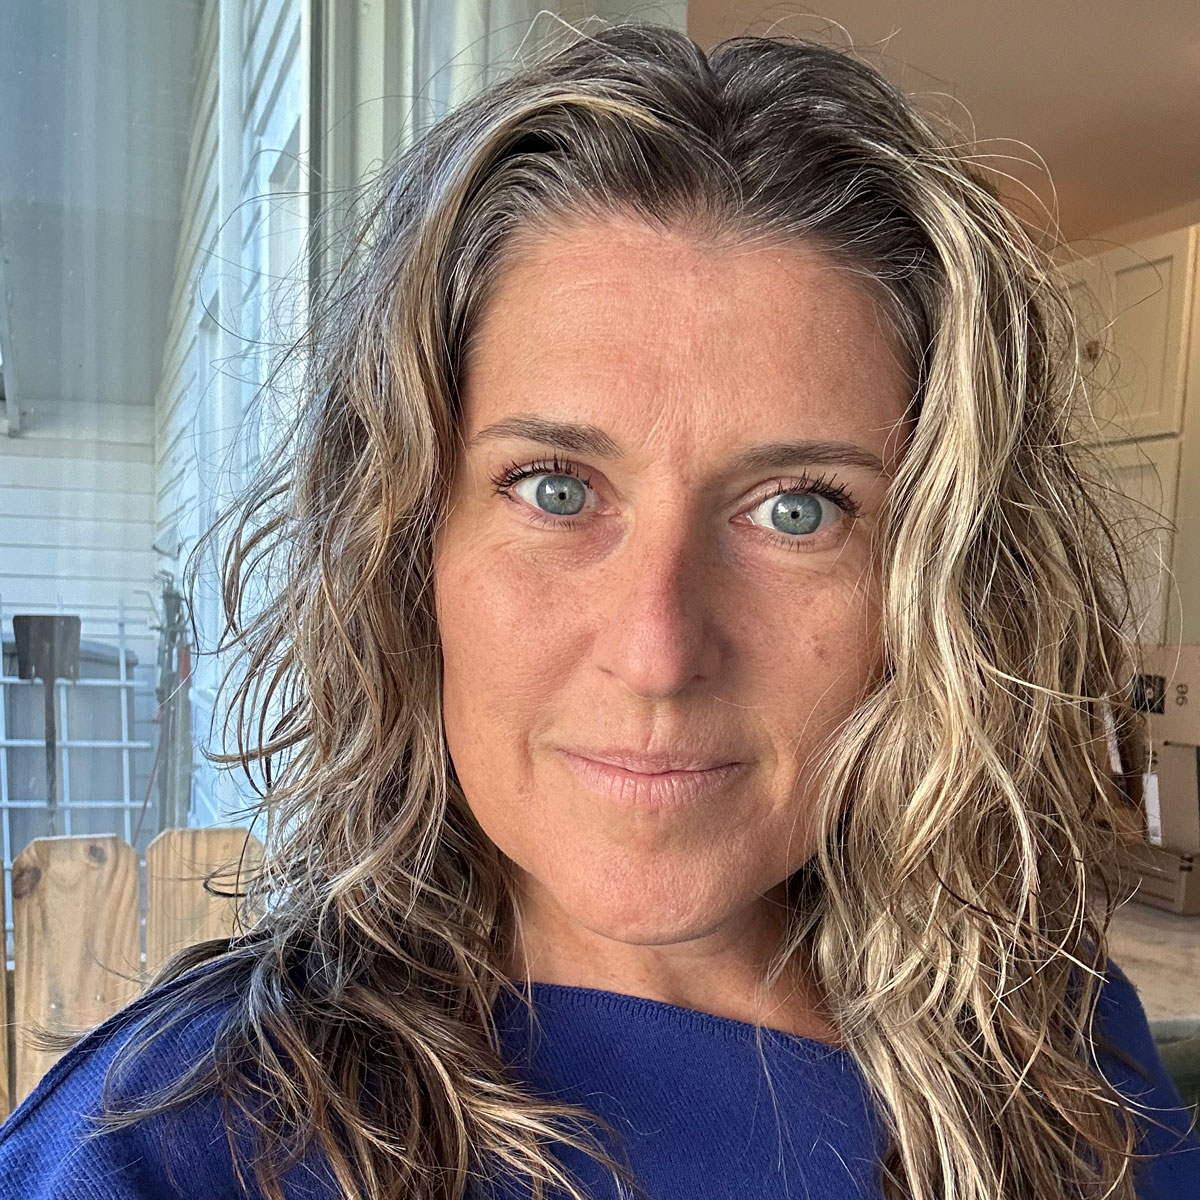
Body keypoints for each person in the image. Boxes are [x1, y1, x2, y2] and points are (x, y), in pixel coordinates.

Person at [1, 18, 1197, 1200]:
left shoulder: (1052, 1042)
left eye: (797, 511)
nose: (657, 650)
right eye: (555, 489)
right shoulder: (171, 1149)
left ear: (938, 586)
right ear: (408, 552)